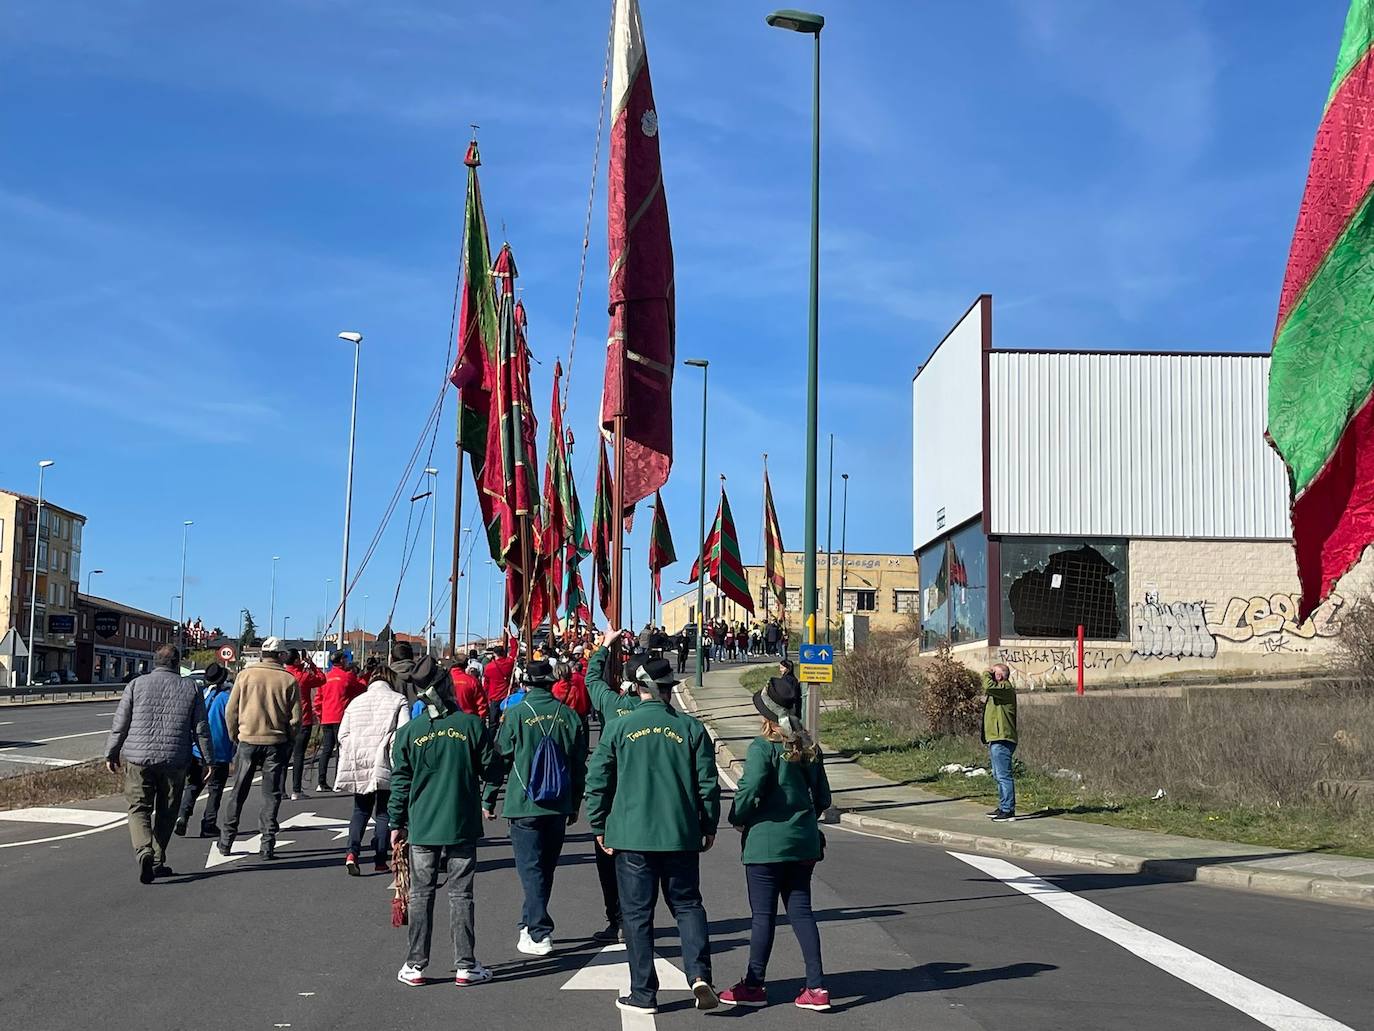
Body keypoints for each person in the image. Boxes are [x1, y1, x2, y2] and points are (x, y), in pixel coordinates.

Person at [585, 654, 721, 1016]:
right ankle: (699, 974)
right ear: (668, 690)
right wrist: (708, 826)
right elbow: (707, 785)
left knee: (637, 916)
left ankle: (644, 993)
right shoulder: (691, 729)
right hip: (679, 833)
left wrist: (599, 824)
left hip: (631, 837)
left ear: (638, 688)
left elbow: (597, 781)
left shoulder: (618, 728)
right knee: (688, 905)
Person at [719, 676, 833, 1011]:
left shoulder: (763, 748)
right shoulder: (810, 749)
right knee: (801, 911)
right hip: (804, 843)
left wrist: (738, 817)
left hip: (766, 844)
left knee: (763, 916)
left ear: (766, 716)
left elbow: (750, 791)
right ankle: (817, 986)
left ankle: (754, 984)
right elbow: (823, 797)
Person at [390, 668, 501, 988]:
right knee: (461, 894)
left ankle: (415, 964)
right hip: (461, 822)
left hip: (423, 824)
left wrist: (396, 821)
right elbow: (492, 770)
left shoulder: (410, 732)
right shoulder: (471, 725)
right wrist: (488, 799)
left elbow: (401, 781)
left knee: (421, 894)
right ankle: (465, 964)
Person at [485, 658, 588, 956]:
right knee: (545, 869)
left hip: (523, 803)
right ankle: (528, 922)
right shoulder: (568, 716)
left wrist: (489, 797)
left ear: (524, 684)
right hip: (558, 803)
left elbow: (500, 759)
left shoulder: (515, 714)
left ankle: (540, 930)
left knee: (530, 869)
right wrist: (575, 802)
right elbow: (579, 765)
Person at [104, 645, 213, 883]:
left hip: (138, 758)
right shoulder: (192, 688)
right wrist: (208, 760)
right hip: (175, 759)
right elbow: (201, 729)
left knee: (138, 808)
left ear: (155, 663)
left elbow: (120, 723)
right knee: (167, 811)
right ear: (177, 664)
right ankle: (156, 859)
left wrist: (112, 752)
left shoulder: (136, 685)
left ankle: (144, 850)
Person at [219, 637, 301, 860]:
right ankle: (267, 844)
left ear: (262, 653)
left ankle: (226, 840)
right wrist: (288, 739)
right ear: (281, 655)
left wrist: (235, 735)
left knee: (238, 792)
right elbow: (295, 719)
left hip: (247, 740)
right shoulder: (288, 680)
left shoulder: (245, 675)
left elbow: (231, 711)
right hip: (275, 743)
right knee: (271, 795)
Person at [334, 664, 409, 875]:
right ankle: (380, 858)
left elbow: (343, 735)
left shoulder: (356, 702)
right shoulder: (398, 700)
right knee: (384, 812)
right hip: (385, 759)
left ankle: (352, 852)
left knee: (360, 810)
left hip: (359, 760)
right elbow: (403, 731)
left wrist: (354, 749)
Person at [175, 661, 234, 838]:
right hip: (220, 751)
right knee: (215, 790)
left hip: (197, 749)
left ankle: (182, 815)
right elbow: (232, 723)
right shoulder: (227, 698)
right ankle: (208, 824)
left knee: (193, 785)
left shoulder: (201, 695)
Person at [314, 651, 365, 790]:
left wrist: (320, 715)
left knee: (327, 750)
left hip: (326, 717)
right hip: (341, 717)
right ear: (341, 660)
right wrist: (360, 676)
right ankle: (338, 780)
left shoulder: (326, 678)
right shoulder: (347, 677)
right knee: (341, 750)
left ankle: (321, 782)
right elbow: (360, 689)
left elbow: (318, 700)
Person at [284, 650, 326, 800]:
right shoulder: (304, 676)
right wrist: (312, 665)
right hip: (304, 719)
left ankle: (281, 790)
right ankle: (296, 789)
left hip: (285, 722)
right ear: (296, 660)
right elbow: (321, 679)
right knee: (299, 755)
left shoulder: (284, 675)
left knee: (284, 756)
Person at [983, 663, 1018, 821]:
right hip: (995, 737)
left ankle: (1008, 810)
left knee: (1004, 775)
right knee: (998, 775)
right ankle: (1003, 805)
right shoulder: (998, 692)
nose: (991, 675)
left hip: (1003, 738)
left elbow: (988, 686)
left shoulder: (1006, 689)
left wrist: (986, 673)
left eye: (994, 673)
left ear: (1000, 675)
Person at [483, 644, 516, 728]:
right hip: (507, 696)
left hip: (494, 696)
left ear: (494, 654)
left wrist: (487, 697)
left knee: (493, 722)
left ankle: (491, 739)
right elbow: (515, 650)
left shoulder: (489, 667)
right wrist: (510, 635)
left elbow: (486, 684)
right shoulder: (509, 663)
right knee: (505, 721)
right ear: (503, 653)